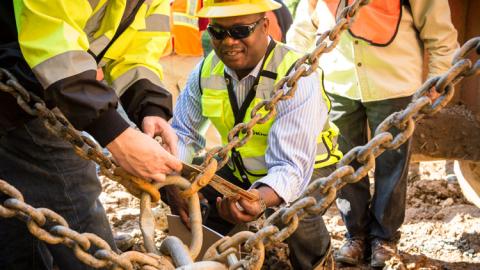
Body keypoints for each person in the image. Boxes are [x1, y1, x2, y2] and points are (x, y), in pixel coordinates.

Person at [0, 1, 182, 269]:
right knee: (74, 204)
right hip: (23, 84)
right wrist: (115, 134)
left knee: (16, 218)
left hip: (36, 86)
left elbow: (137, 49)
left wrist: (149, 106)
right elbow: (52, 35)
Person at [165, 0, 343, 268]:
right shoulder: (206, 70)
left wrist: (259, 199)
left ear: (265, 26)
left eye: (240, 31)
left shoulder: (295, 74)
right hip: (243, 166)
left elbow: (291, 168)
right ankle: (208, 255)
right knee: (193, 188)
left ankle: (317, 261)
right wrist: (177, 182)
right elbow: (182, 131)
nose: (228, 42)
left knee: (295, 213)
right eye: (217, 32)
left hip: (309, 167)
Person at [286, 0, 458, 267]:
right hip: (337, 82)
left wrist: (438, 76)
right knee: (344, 166)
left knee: (392, 166)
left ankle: (385, 239)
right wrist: (293, 72)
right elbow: (303, 26)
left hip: (393, 81)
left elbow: (438, 29)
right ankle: (355, 235)